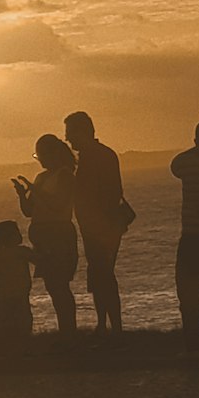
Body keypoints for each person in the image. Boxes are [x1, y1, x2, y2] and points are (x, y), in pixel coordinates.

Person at [64, 111, 129, 339]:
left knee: (104, 277)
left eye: (70, 133)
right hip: (95, 228)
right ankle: (104, 325)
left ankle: (114, 329)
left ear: (82, 132)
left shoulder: (97, 157)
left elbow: (110, 193)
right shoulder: (97, 156)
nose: (67, 139)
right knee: (100, 276)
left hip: (102, 228)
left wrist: (101, 222)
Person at [13, 134, 78, 340]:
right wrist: (23, 195)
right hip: (43, 237)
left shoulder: (66, 175)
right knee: (52, 285)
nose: (40, 160)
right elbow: (29, 212)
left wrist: (35, 191)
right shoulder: (41, 178)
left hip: (59, 235)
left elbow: (58, 205)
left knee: (60, 285)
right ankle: (65, 332)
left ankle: (70, 331)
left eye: (41, 155)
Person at [171, 120, 199, 354]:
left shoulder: (185, 163)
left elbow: (175, 167)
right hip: (193, 237)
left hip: (193, 237)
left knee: (189, 293)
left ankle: (193, 344)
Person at [0, 219, 33, 354]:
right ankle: (24, 345)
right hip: (20, 293)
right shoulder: (21, 252)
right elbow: (37, 258)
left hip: (4, 295)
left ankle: (6, 347)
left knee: (6, 321)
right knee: (24, 320)